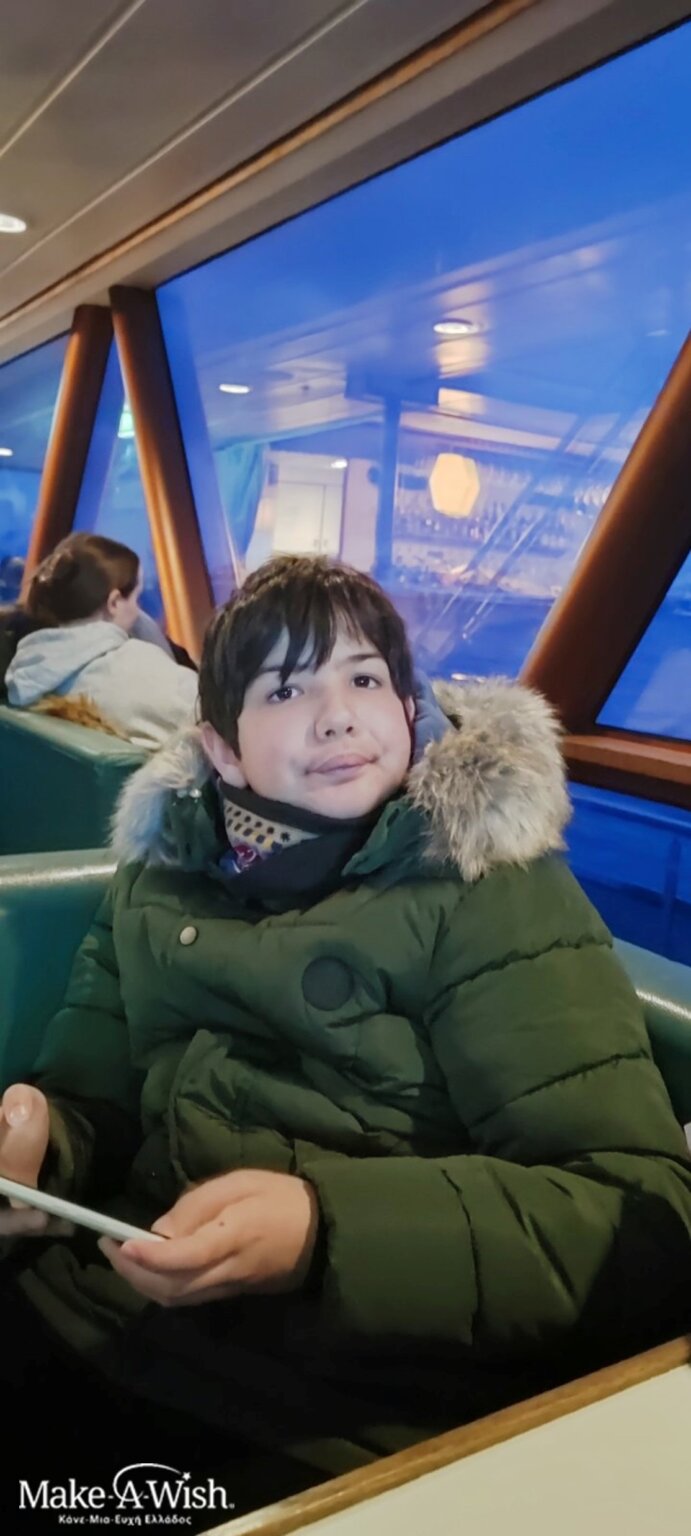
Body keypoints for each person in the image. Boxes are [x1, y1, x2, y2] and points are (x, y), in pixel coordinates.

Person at [0, 554, 690, 1494]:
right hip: (112, 1315)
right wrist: (46, 1146)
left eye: (365, 679)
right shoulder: (161, 876)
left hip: (345, 1400)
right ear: (221, 750)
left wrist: (322, 1232)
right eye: (286, 689)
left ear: (406, 709)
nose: (337, 715)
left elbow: (638, 1213)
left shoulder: (490, 890)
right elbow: (95, 1097)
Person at [4, 532, 198, 748]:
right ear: (114, 602)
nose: (138, 612)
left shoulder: (23, 672)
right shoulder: (149, 676)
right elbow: (216, 719)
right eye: (136, 598)